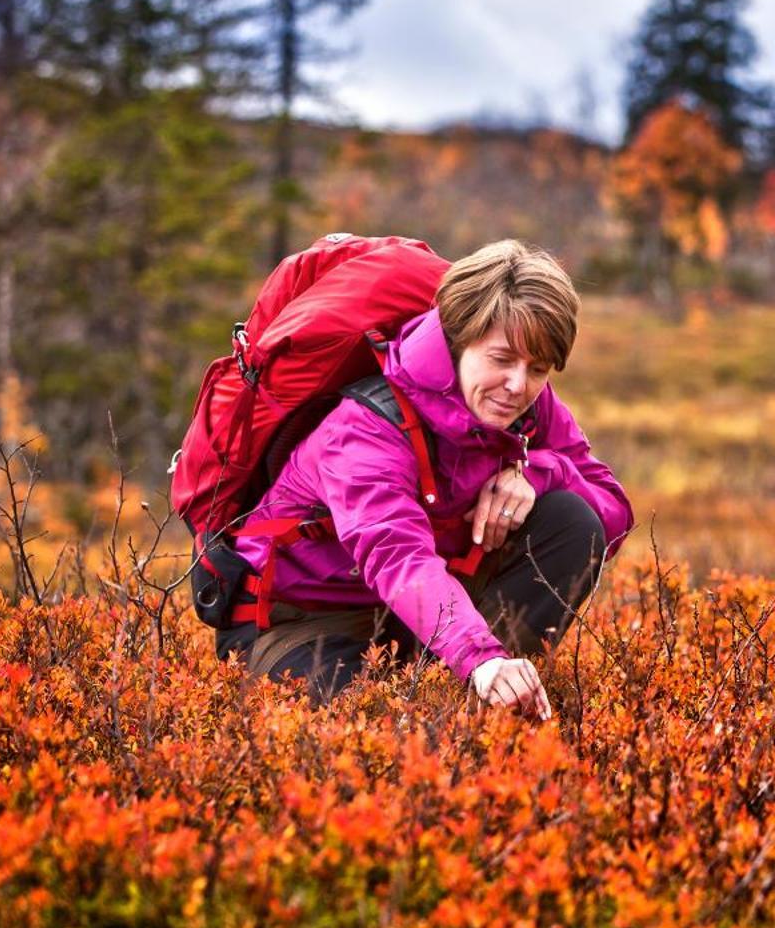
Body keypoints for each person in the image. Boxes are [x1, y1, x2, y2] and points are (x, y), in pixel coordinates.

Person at [232, 239, 632, 716]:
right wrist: (481, 659)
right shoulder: (363, 429)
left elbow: (613, 510)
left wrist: (538, 473)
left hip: (418, 614)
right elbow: (397, 557)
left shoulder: (524, 402)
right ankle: (474, 686)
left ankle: (474, 704)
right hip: (305, 621)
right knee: (385, 737)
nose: (518, 385)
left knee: (572, 519)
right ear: (457, 340)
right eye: (501, 360)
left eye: (539, 369)